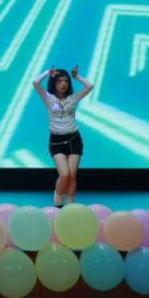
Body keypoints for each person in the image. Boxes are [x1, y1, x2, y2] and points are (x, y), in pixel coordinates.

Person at [33, 65, 94, 206]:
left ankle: (70, 206)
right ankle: (58, 204)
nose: (63, 84)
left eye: (66, 81)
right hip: (56, 141)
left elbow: (90, 86)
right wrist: (47, 73)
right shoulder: (48, 98)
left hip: (74, 139)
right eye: (60, 81)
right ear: (54, 83)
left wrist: (77, 77)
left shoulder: (73, 98)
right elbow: (36, 83)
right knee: (65, 174)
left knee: (72, 175)